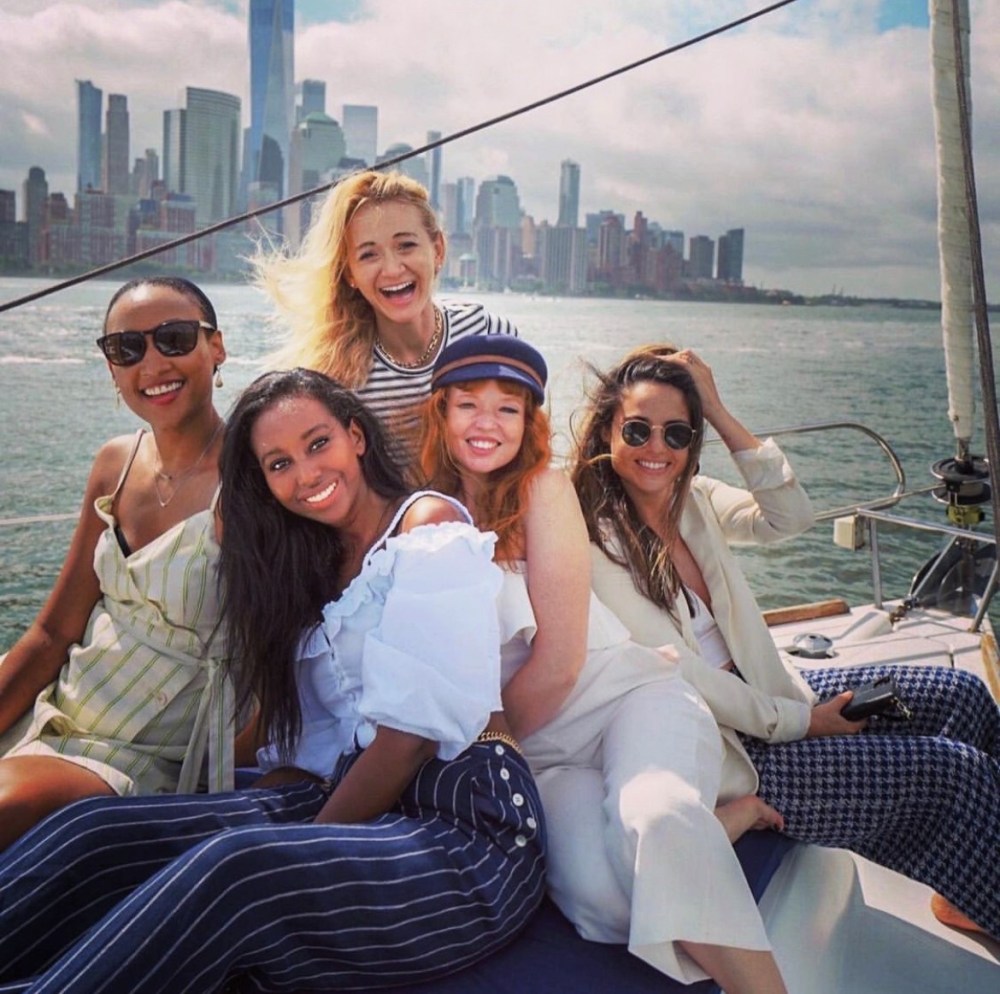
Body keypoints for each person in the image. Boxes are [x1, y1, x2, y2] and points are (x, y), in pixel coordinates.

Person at [0, 368, 545, 994]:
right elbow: (304, 750)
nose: (307, 474)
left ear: (356, 436)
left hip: (466, 830)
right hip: (357, 797)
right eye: (279, 464)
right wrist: (238, 817)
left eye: (319, 444)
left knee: (236, 871)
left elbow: (406, 740)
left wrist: (285, 850)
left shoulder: (428, 530)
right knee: (96, 833)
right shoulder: (311, 564)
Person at [571, 343, 1000, 940]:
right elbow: (680, 675)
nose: (656, 450)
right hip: (727, 751)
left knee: (960, 695)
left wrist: (717, 409)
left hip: (771, 695)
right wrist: (805, 722)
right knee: (953, 774)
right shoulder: (596, 541)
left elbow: (789, 516)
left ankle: (968, 885)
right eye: (638, 430)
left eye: (677, 434)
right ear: (607, 433)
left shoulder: (691, 497)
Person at [420, 335, 789, 994]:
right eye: (467, 405)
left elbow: (561, 663)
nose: (486, 424)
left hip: (625, 700)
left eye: (507, 409)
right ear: (437, 414)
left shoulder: (542, 488)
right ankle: (725, 823)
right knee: (608, 901)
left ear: (529, 422)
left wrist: (491, 751)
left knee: (656, 816)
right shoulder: (423, 513)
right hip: (546, 754)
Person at [0, 276, 231, 852]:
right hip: (55, 710)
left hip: (139, 755)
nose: (152, 362)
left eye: (175, 339)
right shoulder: (115, 463)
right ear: (111, 368)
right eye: (127, 349)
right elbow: (53, 632)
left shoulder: (252, 481)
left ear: (217, 348)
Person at [255, 169, 517, 467]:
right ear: (350, 273)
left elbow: (529, 446)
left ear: (438, 250)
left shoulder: (488, 333)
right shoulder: (339, 382)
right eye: (369, 255)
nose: (392, 269)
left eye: (406, 245)